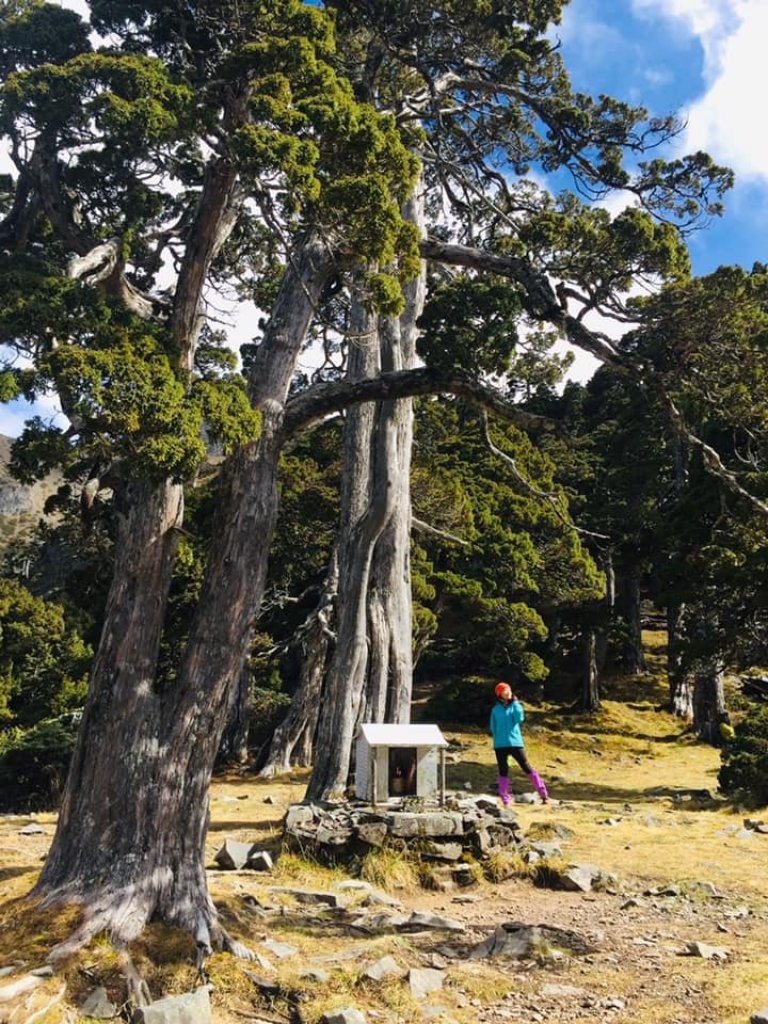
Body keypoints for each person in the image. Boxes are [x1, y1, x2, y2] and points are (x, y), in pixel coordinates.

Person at [490, 682, 548, 805]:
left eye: (509, 691)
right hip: (500, 744)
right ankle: (505, 797)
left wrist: (515, 703)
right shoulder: (495, 710)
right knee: (503, 770)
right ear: (500, 694)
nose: (508, 693)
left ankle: (542, 792)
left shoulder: (515, 706)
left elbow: (519, 718)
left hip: (515, 742)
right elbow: (493, 727)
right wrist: (496, 739)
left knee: (526, 766)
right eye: (505, 691)